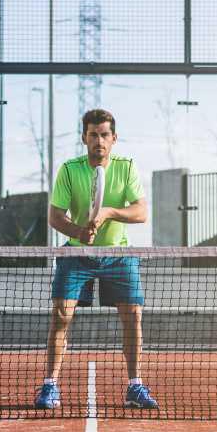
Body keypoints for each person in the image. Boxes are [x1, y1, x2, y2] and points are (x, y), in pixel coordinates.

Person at [35, 108, 158, 410]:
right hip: (77, 254)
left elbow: (141, 213)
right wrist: (79, 230)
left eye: (104, 135)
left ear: (114, 138)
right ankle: (50, 385)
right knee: (61, 315)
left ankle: (135, 385)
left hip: (118, 255)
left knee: (133, 316)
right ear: (84, 138)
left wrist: (108, 213)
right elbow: (54, 215)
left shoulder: (126, 167)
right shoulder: (70, 169)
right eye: (93, 135)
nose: (99, 141)